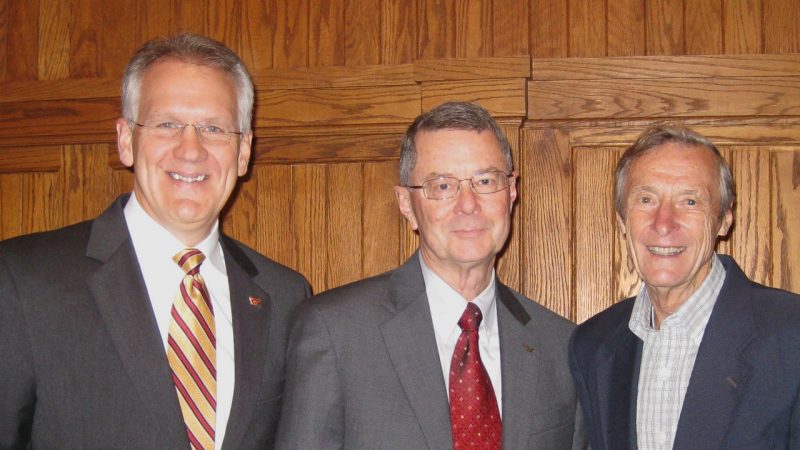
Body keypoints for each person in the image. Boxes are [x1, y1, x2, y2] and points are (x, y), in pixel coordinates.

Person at [0, 33, 310, 449]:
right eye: (167, 125)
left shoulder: (285, 296)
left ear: (243, 151)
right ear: (126, 140)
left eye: (214, 128)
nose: (191, 149)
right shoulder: (23, 279)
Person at [275, 102, 586, 450]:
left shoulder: (561, 346)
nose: (468, 204)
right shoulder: (335, 332)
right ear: (407, 204)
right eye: (442, 186)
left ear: (511, 192)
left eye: (485, 181)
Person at [569, 124, 800, 449]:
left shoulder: (791, 334)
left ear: (723, 219)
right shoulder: (592, 346)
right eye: (646, 199)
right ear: (622, 219)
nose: (664, 222)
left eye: (690, 202)